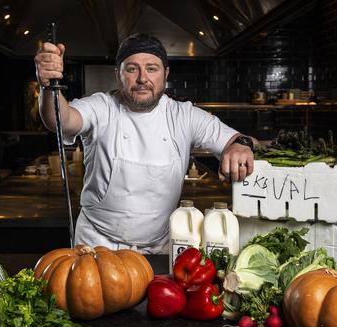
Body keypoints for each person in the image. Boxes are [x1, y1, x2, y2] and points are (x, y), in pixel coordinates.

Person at [34, 33, 257, 254]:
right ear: (117, 74)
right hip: (97, 244)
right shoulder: (102, 107)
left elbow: (238, 140)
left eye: (152, 68)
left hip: (159, 248)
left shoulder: (184, 116)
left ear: (165, 73)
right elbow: (60, 120)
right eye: (132, 69)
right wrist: (47, 85)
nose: (142, 78)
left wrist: (241, 144)